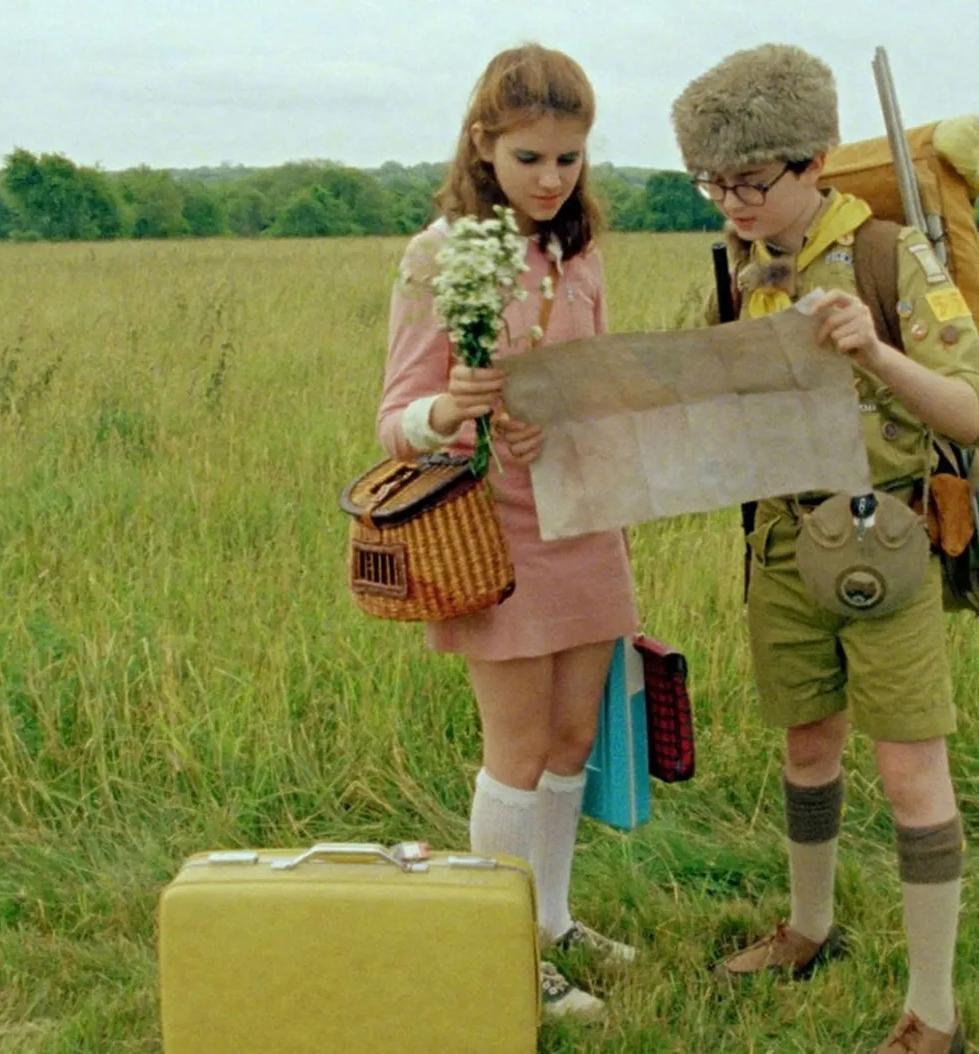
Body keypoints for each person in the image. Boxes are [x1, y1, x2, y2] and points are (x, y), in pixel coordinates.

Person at [672, 44, 979, 1054]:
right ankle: (808, 929)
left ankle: (932, 1012)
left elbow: (971, 411)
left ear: (813, 162)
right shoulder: (737, 272)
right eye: (714, 184)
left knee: (909, 770)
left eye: (750, 182)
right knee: (807, 744)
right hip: (780, 543)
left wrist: (875, 349)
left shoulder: (889, 256)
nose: (732, 203)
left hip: (882, 540)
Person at [378, 43, 637, 1018]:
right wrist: (458, 409)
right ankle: (504, 951)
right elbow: (396, 420)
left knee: (574, 737)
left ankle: (553, 921)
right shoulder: (441, 252)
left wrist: (563, 416)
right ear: (483, 143)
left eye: (569, 158)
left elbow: (594, 384)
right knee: (518, 749)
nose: (551, 178)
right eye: (530, 157)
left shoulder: (581, 251)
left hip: (586, 517)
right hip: (494, 532)